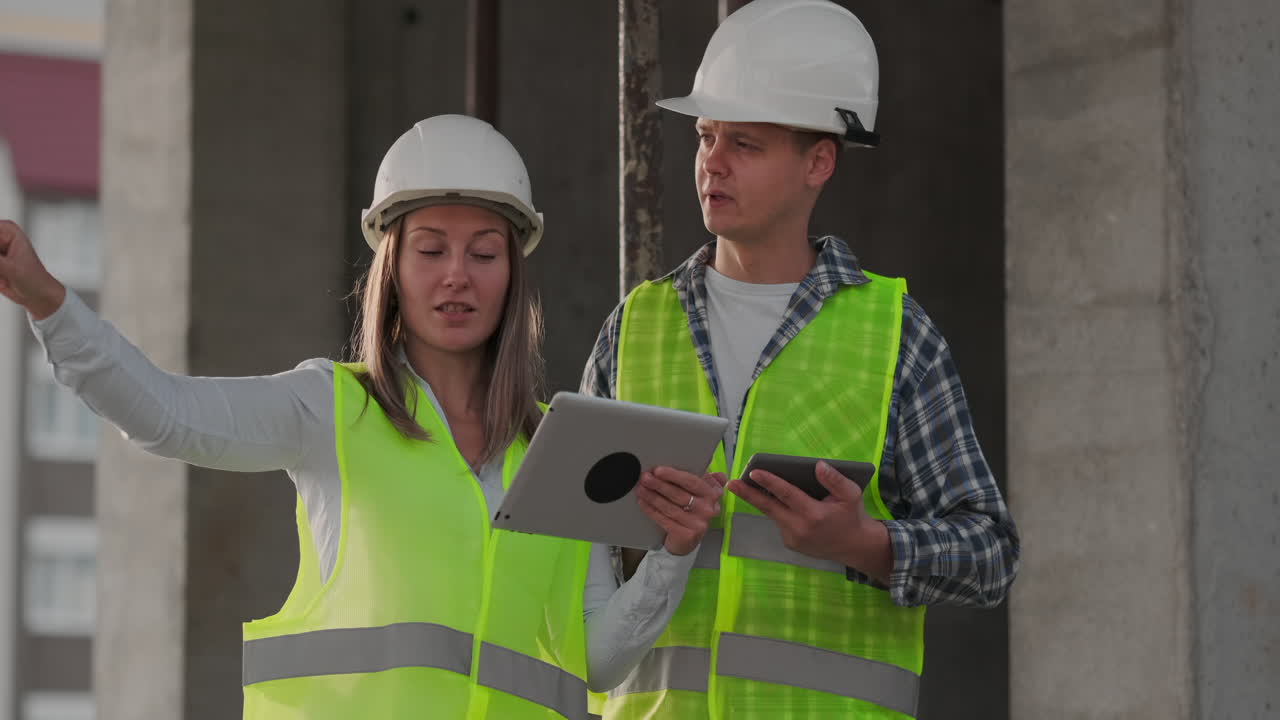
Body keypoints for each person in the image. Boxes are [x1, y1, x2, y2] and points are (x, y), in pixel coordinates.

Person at [0, 115, 601, 719]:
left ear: (511, 276)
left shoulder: (558, 447)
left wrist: (669, 556)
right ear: (391, 269)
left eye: (484, 253)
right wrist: (50, 303)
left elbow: (599, 658)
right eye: (431, 249)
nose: (457, 274)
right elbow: (165, 414)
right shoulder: (330, 410)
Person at [580, 1, 1021, 717]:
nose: (711, 164)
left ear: (819, 160)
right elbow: (574, 562)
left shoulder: (895, 335)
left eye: (744, 145)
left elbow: (989, 553)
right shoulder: (634, 328)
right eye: (705, 136)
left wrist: (867, 543)